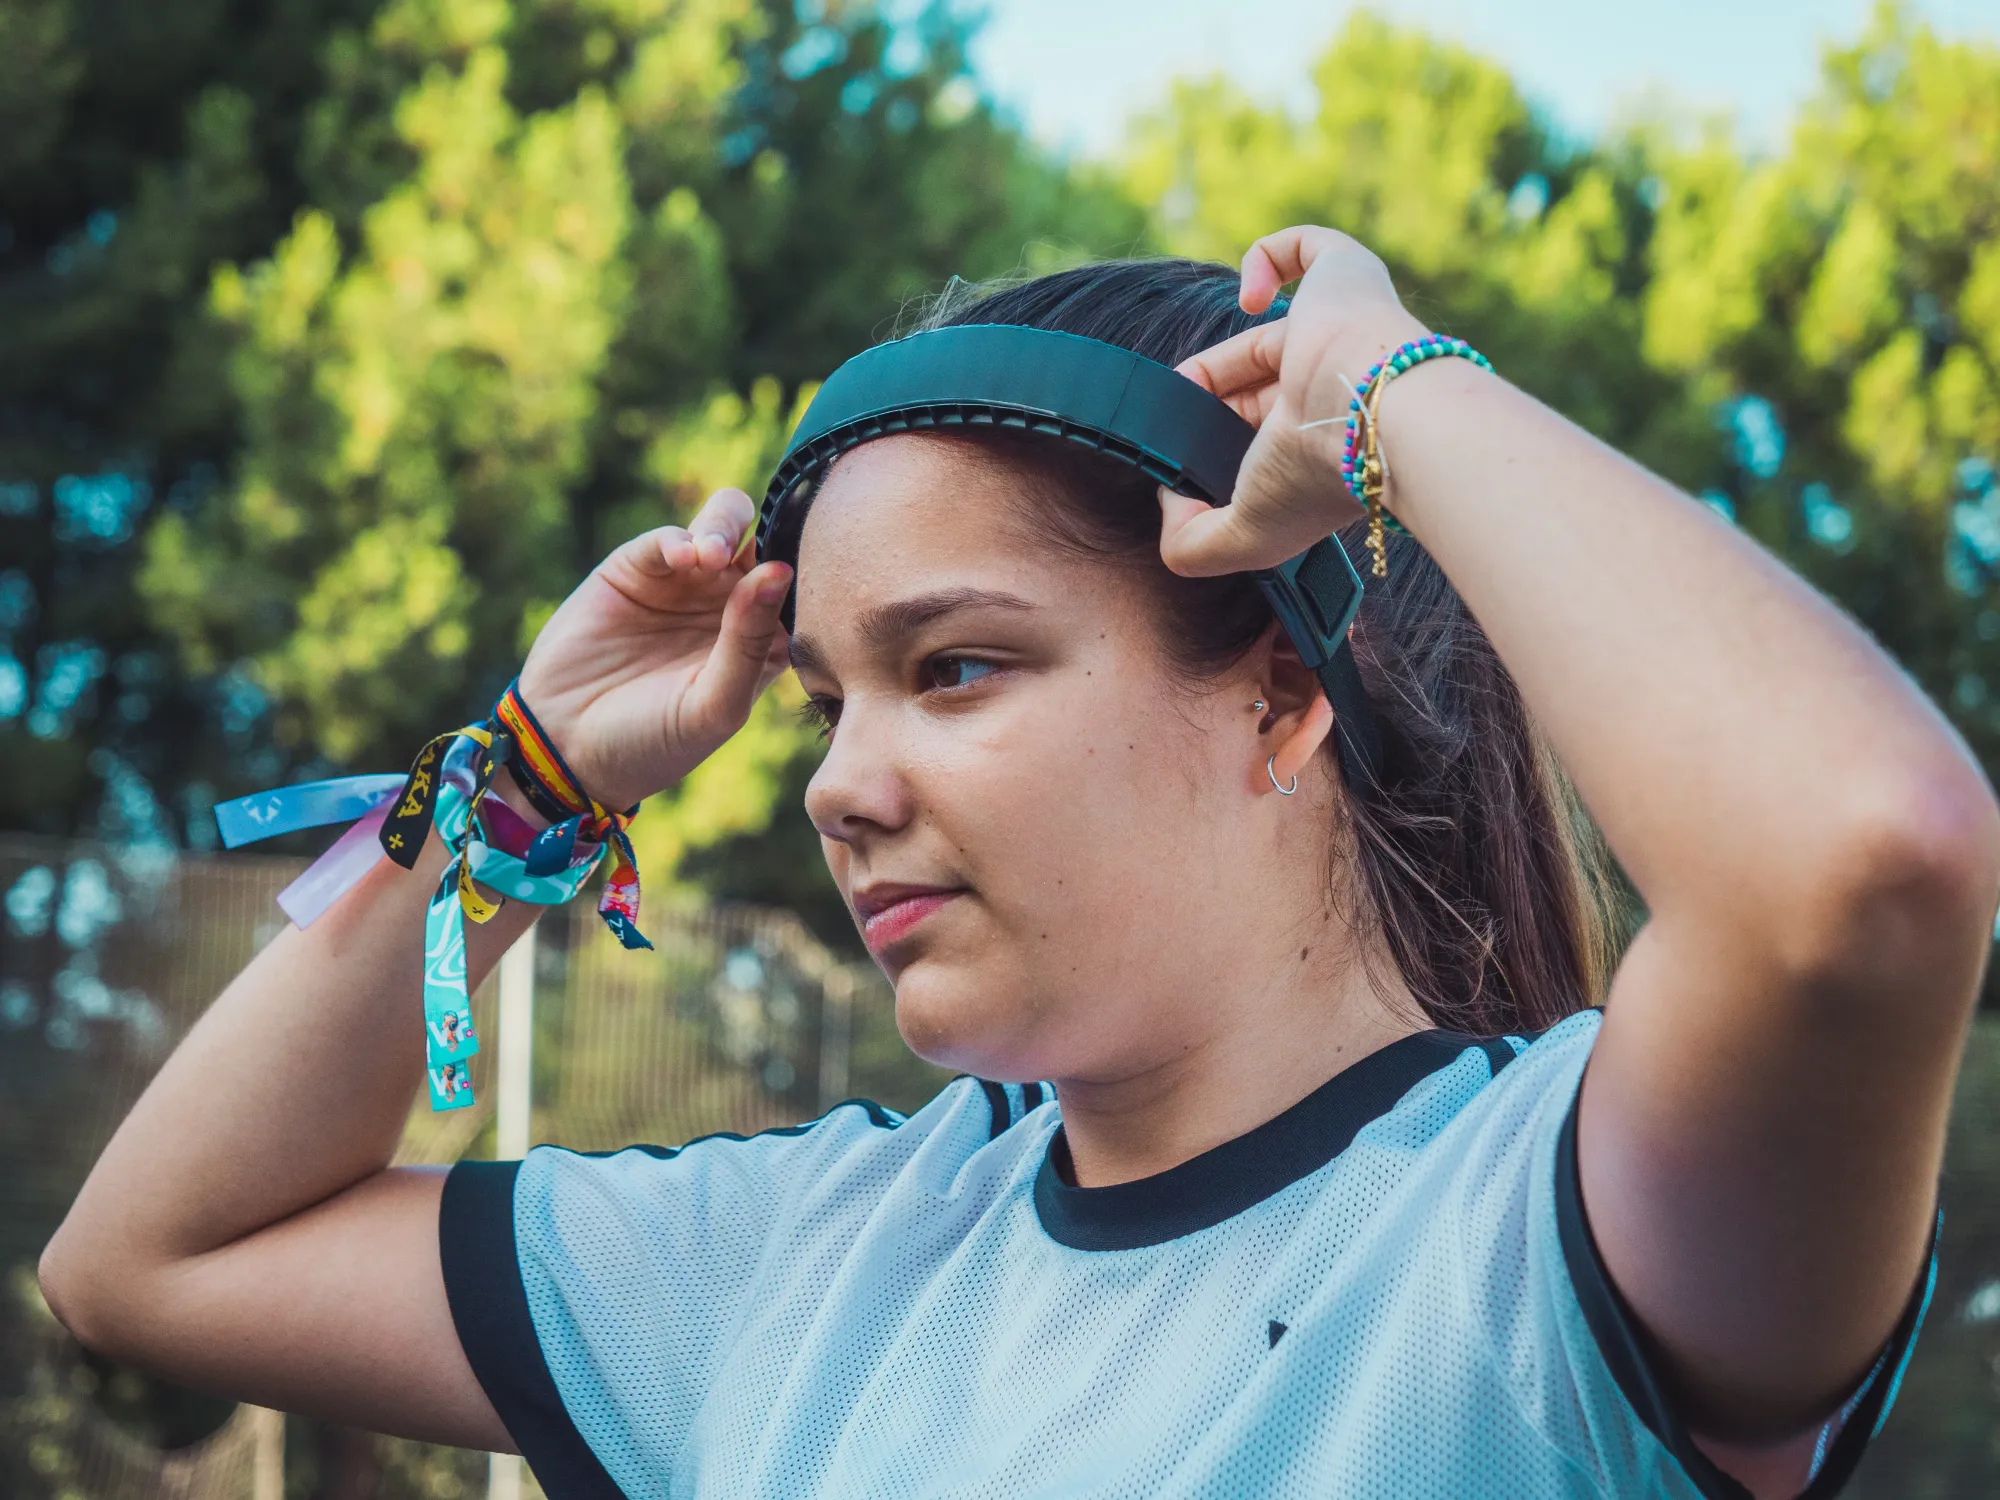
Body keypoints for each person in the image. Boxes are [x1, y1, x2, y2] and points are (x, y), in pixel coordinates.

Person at [38, 226, 2000, 1498]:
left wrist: (1397, 395)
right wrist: (521, 785)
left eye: (955, 667)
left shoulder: (1546, 1245)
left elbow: (1862, 859)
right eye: (822, 700)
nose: (837, 784)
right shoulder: (794, 1264)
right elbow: (149, 1259)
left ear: (1281, 693)